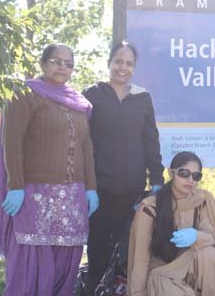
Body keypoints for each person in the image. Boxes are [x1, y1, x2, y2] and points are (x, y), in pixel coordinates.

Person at [0, 43, 99, 295]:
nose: (62, 67)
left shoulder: (78, 103)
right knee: (30, 263)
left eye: (68, 63)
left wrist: (91, 188)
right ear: (42, 63)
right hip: (34, 195)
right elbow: (12, 141)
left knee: (66, 261)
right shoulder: (24, 94)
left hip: (73, 198)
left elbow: (86, 148)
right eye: (56, 61)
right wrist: (16, 185)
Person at [83, 41, 165, 288]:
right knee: (97, 248)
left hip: (132, 187)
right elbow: (82, 142)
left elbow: (151, 141)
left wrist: (158, 180)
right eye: (118, 61)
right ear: (109, 62)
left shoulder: (142, 98)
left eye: (129, 63)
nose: (123, 67)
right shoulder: (91, 94)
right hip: (99, 188)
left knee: (128, 249)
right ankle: (94, 289)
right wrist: (86, 184)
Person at [127, 151, 215, 296]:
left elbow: (211, 236)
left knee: (209, 253)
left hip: (190, 264)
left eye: (196, 176)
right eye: (184, 173)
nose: (190, 180)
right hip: (163, 271)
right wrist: (138, 292)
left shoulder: (201, 200)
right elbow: (140, 258)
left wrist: (196, 236)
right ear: (171, 173)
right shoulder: (150, 207)